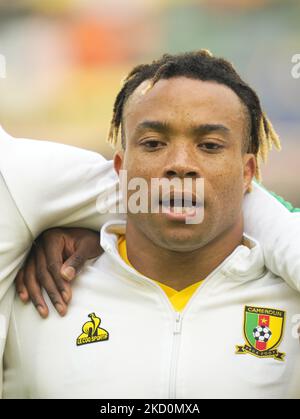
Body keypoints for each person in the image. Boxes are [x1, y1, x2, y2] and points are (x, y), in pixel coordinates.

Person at [2, 50, 300, 398]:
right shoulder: (31, 303)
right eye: (153, 144)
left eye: (209, 145)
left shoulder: (290, 301)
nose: (180, 164)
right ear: (119, 169)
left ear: (248, 172)